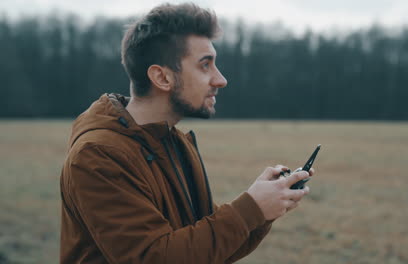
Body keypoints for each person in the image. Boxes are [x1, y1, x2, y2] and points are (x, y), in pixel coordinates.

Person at [60, 3, 314, 263]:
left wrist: (264, 210)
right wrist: (251, 208)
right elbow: (154, 257)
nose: (221, 79)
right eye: (205, 65)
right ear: (162, 78)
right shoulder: (98, 155)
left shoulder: (175, 142)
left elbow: (206, 251)